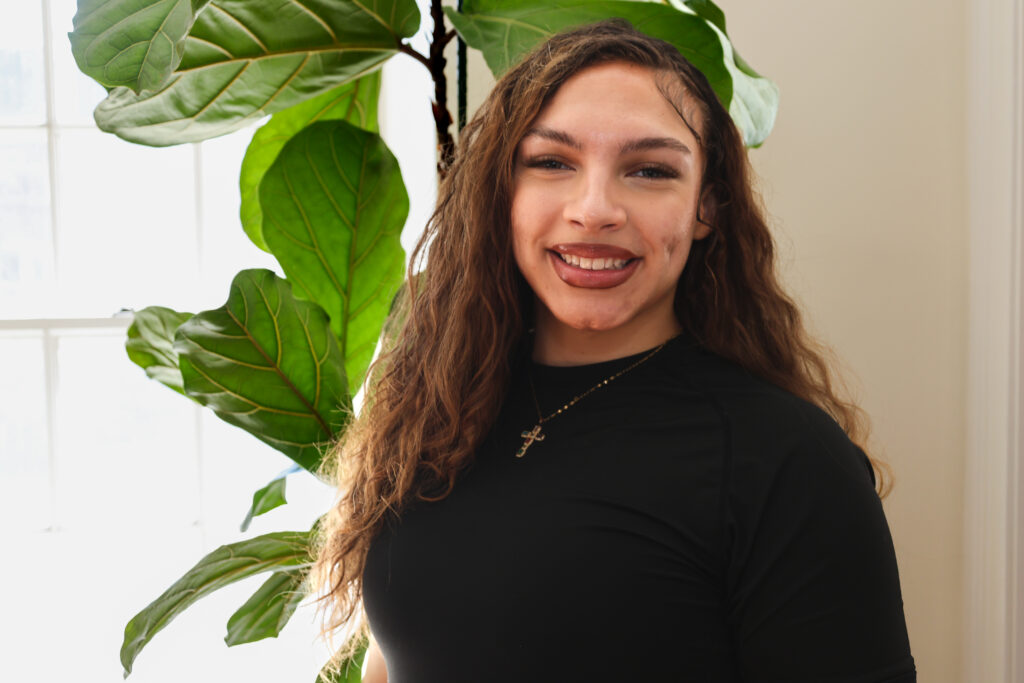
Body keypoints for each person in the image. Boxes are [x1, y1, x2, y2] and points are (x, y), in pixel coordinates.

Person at [313, 18, 916, 683]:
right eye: (552, 162)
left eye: (650, 170)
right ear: (503, 191)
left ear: (706, 207)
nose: (595, 209)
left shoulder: (789, 461)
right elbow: (396, 657)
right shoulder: (436, 409)